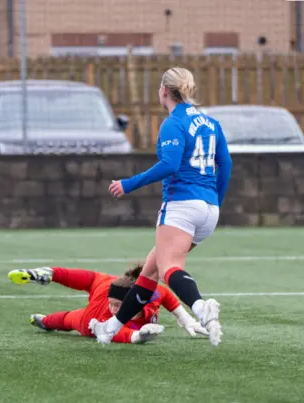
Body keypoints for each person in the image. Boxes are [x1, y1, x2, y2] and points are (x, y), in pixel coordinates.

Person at [91, 67, 233, 347]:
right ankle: (109, 328)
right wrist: (216, 199)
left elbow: (169, 165)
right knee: (151, 272)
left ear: (164, 91)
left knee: (170, 267)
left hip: (182, 205)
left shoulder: (173, 122)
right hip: (209, 209)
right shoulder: (210, 122)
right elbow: (225, 164)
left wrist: (128, 184)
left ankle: (201, 309)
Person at [8, 266, 208, 344]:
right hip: (90, 318)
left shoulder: (152, 293)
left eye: (118, 306)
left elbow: (167, 297)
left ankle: (45, 317)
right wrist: (138, 336)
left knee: (70, 314)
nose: (113, 310)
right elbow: (116, 333)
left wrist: (187, 320)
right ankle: (45, 318)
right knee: (67, 320)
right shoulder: (105, 315)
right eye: (111, 304)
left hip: (110, 289)